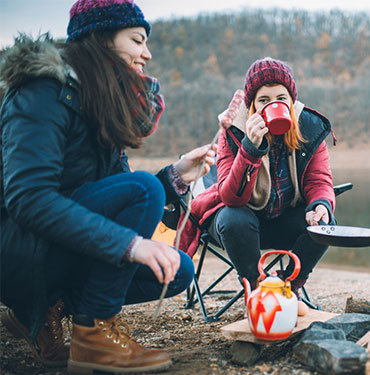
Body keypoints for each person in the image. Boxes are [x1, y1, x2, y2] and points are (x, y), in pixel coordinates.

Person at [0, 0, 216, 373]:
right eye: (137, 40)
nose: (147, 54)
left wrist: (177, 175)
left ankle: (49, 306)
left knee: (177, 269)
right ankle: (93, 333)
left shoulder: (98, 100)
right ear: (100, 39)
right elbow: (28, 199)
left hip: (59, 245)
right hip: (19, 252)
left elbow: (115, 195)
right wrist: (130, 246)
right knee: (143, 190)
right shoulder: (42, 93)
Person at [180, 57, 336, 314]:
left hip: (284, 218)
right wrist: (250, 148)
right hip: (241, 225)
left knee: (325, 224)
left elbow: (319, 181)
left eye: (281, 98)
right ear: (251, 105)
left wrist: (321, 205)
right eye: (264, 100)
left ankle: (289, 287)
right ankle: (257, 287)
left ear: (292, 101)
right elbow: (231, 197)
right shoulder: (233, 130)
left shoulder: (309, 127)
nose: (273, 104)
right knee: (233, 217)